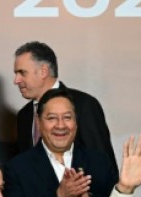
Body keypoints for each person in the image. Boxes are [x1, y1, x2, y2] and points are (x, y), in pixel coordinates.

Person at [13, 41, 116, 174]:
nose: (16, 80)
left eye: (22, 73)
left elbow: (105, 167)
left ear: (43, 72)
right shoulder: (24, 116)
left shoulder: (84, 105)